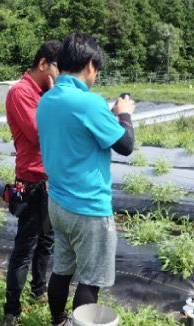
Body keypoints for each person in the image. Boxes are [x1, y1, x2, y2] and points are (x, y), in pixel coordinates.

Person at [36, 33, 135, 326]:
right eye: (97, 71)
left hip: (58, 203)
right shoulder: (88, 103)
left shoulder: (48, 99)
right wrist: (125, 115)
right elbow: (126, 145)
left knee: (62, 270)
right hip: (88, 209)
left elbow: (75, 127)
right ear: (90, 65)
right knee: (90, 281)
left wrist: (105, 114)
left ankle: (58, 322)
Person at [3, 40, 62, 326]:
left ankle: (39, 291)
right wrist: (53, 97)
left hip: (48, 183)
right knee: (24, 246)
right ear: (43, 64)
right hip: (26, 183)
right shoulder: (20, 92)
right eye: (57, 69)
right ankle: (11, 310)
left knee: (47, 242)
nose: (60, 76)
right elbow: (41, 134)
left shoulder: (42, 93)